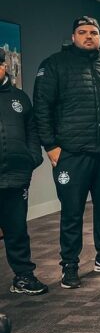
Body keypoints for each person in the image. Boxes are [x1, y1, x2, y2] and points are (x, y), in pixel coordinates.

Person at [33, 16, 100, 289]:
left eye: (94, 32)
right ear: (73, 36)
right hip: (73, 154)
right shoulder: (54, 65)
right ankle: (70, 265)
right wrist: (51, 146)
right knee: (72, 211)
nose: (89, 36)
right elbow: (42, 108)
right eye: (83, 32)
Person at [0, 48, 47, 296]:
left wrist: (32, 157)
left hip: (16, 177)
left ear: (3, 67)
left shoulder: (19, 98)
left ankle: (23, 276)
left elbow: (33, 132)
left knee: (17, 230)